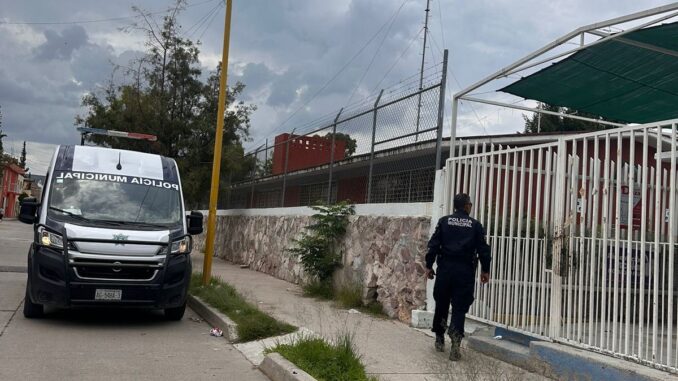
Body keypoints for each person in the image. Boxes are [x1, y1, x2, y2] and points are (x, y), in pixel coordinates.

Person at [425, 193, 491, 361]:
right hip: (464, 272)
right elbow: (483, 249)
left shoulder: (444, 221)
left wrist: (428, 266)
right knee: (460, 308)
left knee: (441, 303)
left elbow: (433, 245)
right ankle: (455, 344)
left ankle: (439, 338)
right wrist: (485, 270)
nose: (471, 206)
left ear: (455, 206)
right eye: (470, 204)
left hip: (445, 269)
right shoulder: (475, 225)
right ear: (467, 206)